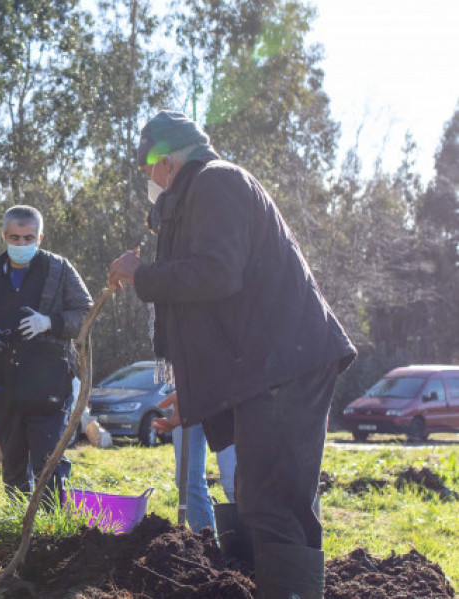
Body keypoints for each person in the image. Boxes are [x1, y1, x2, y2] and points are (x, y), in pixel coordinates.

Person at [108, 110, 356, 599]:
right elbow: (210, 317)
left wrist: (142, 274)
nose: (147, 182)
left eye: (147, 169)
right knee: (256, 497)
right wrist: (194, 395)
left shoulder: (217, 183)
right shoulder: (194, 199)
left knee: (272, 501)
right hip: (265, 370)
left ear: (166, 162)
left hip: (286, 366)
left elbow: (217, 274)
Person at [0, 205, 92, 506]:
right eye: (14, 238)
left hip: (49, 388)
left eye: (28, 238)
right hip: (2, 390)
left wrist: (51, 322)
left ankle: (50, 530)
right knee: (14, 467)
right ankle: (17, 530)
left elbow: (86, 312)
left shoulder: (59, 270)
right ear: (3, 236)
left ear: (40, 237)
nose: (21, 245)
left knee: (49, 463)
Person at [153, 391, 237, 533]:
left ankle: (252, 546)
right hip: (187, 394)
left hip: (225, 392)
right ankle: (207, 545)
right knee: (187, 481)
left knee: (233, 482)